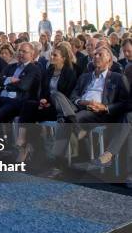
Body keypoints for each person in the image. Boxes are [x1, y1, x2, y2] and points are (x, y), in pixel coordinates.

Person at [48, 47, 130, 177]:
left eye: (100, 54)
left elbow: (126, 103)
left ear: (109, 59)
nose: (96, 56)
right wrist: (83, 102)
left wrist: (104, 107)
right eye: (95, 54)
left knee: (66, 121)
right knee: (56, 94)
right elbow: (73, 97)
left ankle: (57, 163)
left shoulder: (117, 78)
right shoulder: (85, 77)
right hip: (79, 107)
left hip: (99, 112)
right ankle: (74, 123)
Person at [13, 43, 77, 162]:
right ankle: (23, 140)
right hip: (47, 104)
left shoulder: (69, 72)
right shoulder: (49, 70)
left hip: (60, 109)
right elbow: (43, 90)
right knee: (28, 105)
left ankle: (27, 147)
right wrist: (43, 100)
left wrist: (50, 102)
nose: (51, 57)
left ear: (63, 58)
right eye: (51, 54)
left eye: (55, 55)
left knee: (30, 115)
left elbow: (67, 96)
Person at [0, 42, 42, 123]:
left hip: (17, 101)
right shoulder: (11, 66)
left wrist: (5, 85)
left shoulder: (33, 69)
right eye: (19, 51)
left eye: (24, 52)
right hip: (1, 98)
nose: (20, 53)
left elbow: (23, 86)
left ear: (32, 55)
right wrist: (9, 80)